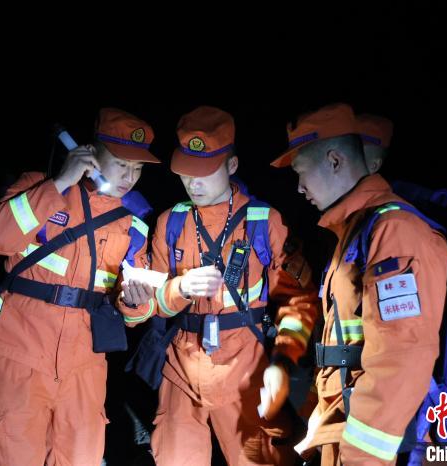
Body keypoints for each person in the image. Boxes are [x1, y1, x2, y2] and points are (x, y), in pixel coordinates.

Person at [124, 105, 319, 465]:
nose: (193, 182)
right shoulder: (170, 222)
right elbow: (153, 305)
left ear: (232, 165)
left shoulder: (264, 222)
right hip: (181, 371)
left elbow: (298, 302)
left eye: (204, 172)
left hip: (247, 373)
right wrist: (179, 289)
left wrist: (283, 360)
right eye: (186, 173)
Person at [0, 108, 160, 466]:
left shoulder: (134, 222)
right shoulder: (39, 187)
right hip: (18, 351)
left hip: (85, 365)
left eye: (137, 168)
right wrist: (59, 183)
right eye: (121, 163)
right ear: (91, 154)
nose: (129, 177)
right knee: (12, 453)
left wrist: (136, 303)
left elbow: (138, 314)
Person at [268, 103, 447, 465]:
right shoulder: (356, 231)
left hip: (373, 444)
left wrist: (360, 456)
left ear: (335, 161)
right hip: (343, 424)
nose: (299, 188)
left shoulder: (394, 232)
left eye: (301, 172)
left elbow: (402, 358)